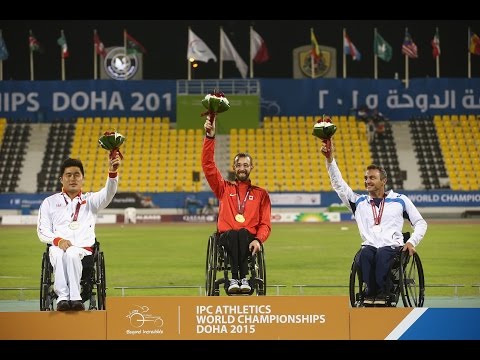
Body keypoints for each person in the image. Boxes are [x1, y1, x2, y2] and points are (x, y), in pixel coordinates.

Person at [319, 139, 427, 305]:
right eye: (366, 178)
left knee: (383, 253)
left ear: (383, 181)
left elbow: (420, 222)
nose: (367, 181)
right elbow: (339, 185)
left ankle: (383, 293)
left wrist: (412, 242)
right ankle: (371, 293)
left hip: (392, 248)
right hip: (369, 246)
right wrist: (330, 159)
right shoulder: (359, 202)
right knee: (365, 254)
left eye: (372, 178)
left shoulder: (400, 200)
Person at [37, 154, 121, 311]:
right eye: (68, 175)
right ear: (61, 179)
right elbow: (42, 230)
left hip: (84, 250)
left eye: (77, 175)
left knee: (72, 253)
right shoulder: (49, 202)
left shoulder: (91, 201)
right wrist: (58, 241)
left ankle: (75, 298)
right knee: (58, 252)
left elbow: (108, 193)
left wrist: (112, 173)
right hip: (58, 247)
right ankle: (63, 298)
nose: (72, 178)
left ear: (82, 179)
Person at [202, 116, 271, 294]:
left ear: (251, 167)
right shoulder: (223, 188)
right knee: (234, 233)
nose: (242, 168)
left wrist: (258, 239)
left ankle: (238, 279)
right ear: (234, 167)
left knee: (242, 233)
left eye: (245, 165)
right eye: (239, 165)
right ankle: (238, 278)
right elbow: (208, 165)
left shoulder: (261, 194)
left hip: (249, 239)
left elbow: (265, 224)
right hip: (226, 239)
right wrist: (210, 137)